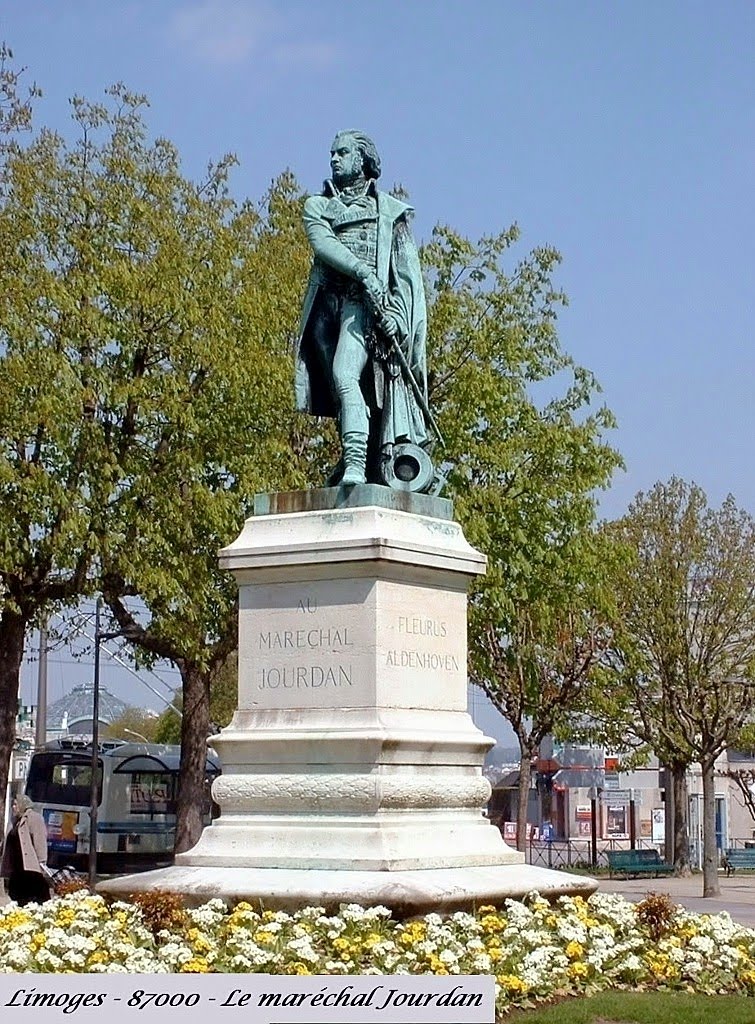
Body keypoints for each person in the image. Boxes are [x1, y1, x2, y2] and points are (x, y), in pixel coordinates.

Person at [295, 130, 430, 486]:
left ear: (363, 159)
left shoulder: (388, 211)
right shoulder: (318, 205)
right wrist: (363, 272)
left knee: (345, 374)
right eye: (332, 153)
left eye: (342, 153)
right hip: (326, 309)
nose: (334, 159)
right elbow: (324, 245)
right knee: (343, 394)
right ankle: (359, 459)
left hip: (362, 308)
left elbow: (404, 275)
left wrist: (398, 317)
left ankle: (356, 464)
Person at [1, 794, 51, 905]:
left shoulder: (34, 818)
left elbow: (39, 840)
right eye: (13, 805)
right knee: (16, 894)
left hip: (29, 867)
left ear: (23, 805)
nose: (13, 807)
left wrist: (41, 861)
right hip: (17, 866)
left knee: (30, 895)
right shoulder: (15, 820)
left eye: (15, 804)